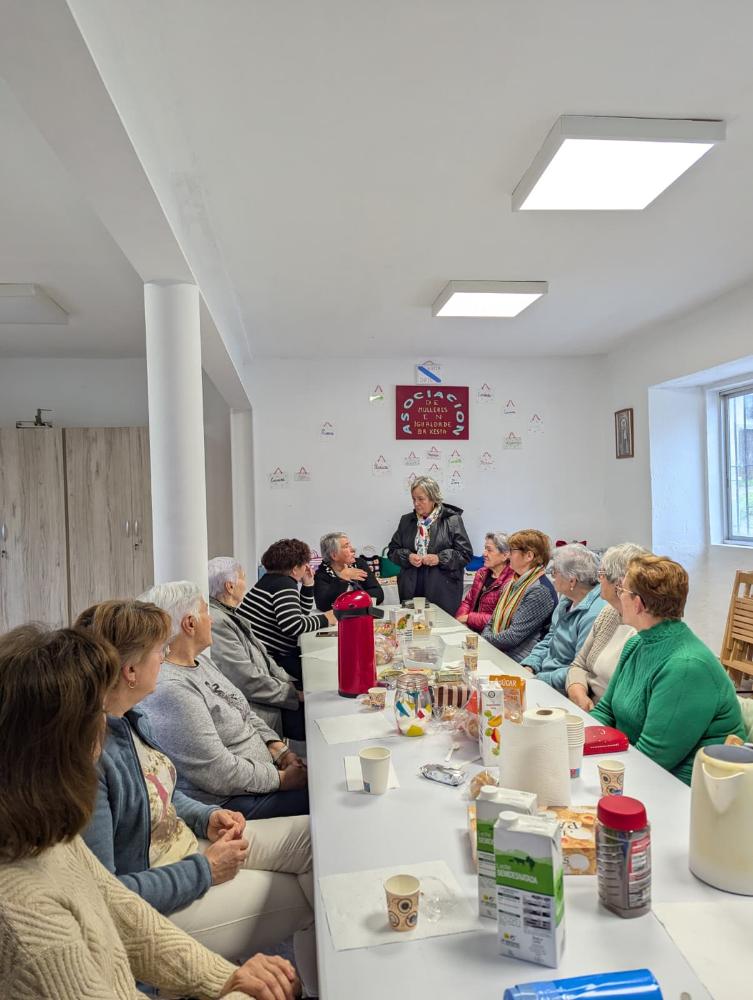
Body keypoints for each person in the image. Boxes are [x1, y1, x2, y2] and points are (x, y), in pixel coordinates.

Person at [0, 623, 299, 1000]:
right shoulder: (29, 925)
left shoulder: (48, 836)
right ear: (65, 745)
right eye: (96, 712)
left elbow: (125, 914)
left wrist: (225, 979)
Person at [78, 599, 317, 994]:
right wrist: (205, 870)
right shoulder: (93, 755)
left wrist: (206, 816)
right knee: (310, 891)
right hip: (162, 897)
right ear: (130, 671)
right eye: (158, 651)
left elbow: (161, 795)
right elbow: (111, 897)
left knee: (316, 840)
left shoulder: (130, 720)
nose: (165, 656)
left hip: (190, 847)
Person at [139, 581, 310, 819]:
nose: (211, 620)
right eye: (206, 613)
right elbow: (218, 773)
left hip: (262, 778)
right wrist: (282, 780)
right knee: (325, 796)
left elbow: (245, 712)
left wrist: (281, 751)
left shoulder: (202, 662)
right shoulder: (172, 689)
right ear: (190, 623)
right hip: (233, 802)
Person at [591, 554, 746, 785]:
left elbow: (653, 760)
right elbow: (605, 711)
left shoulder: (686, 667)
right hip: (636, 769)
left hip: (684, 790)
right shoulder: (636, 643)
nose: (618, 594)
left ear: (638, 603)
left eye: (622, 588)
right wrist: (576, 742)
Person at [208, 556, 304, 740]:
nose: (246, 584)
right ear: (230, 586)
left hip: (273, 694)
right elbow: (246, 679)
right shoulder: (218, 622)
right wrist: (293, 694)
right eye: (243, 578)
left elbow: (264, 657)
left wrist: (289, 682)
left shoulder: (229, 614)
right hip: (262, 709)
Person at [237, 538, 335, 679]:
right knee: (323, 672)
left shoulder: (270, 579)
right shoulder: (284, 584)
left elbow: (299, 614)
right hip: (270, 662)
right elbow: (293, 626)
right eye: (305, 564)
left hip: (259, 655)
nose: (307, 568)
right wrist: (327, 618)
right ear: (295, 568)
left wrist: (308, 585)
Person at [566, 543, 648, 710]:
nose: (598, 579)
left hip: (610, 714)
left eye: (601, 573)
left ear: (619, 583)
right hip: (589, 706)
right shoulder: (608, 612)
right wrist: (577, 690)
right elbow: (579, 664)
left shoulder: (641, 627)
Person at [521, 544, 606, 690]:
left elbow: (580, 668)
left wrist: (539, 679)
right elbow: (550, 638)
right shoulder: (566, 600)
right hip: (545, 678)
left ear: (572, 581)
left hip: (564, 688)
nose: (552, 578)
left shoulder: (595, 613)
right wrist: (531, 664)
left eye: (554, 572)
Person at [387, 476, 472, 614]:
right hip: (411, 586)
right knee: (413, 629)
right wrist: (408, 556)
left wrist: (439, 558)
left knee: (440, 629)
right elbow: (392, 551)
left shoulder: (452, 520)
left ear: (433, 498)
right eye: (414, 499)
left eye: (421, 499)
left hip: (442, 589)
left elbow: (465, 554)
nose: (416, 503)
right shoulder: (406, 520)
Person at [481, 529, 558, 661]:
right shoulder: (513, 582)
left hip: (520, 660)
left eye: (512, 551)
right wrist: (484, 638)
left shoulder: (540, 590)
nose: (509, 556)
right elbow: (492, 621)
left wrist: (482, 639)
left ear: (529, 556)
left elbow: (513, 636)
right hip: (501, 652)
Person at [456, 531, 514, 633]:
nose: (484, 554)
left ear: (505, 555)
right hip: (471, 630)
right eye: (485, 549)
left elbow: (502, 618)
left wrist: (468, 618)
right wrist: (463, 621)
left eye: (489, 550)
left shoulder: (511, 581)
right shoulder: (481, 573)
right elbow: (468, 602)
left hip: (491, 636)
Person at [314, 532, 384, 611]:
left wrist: (351, 601)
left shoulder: (359, 564)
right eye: (346, 546)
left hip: (360, 614)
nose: (352, 549)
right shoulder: (321, 574)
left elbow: (378, 594)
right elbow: (323, 606)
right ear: (334, 556)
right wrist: (343, 578)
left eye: (350, 545)